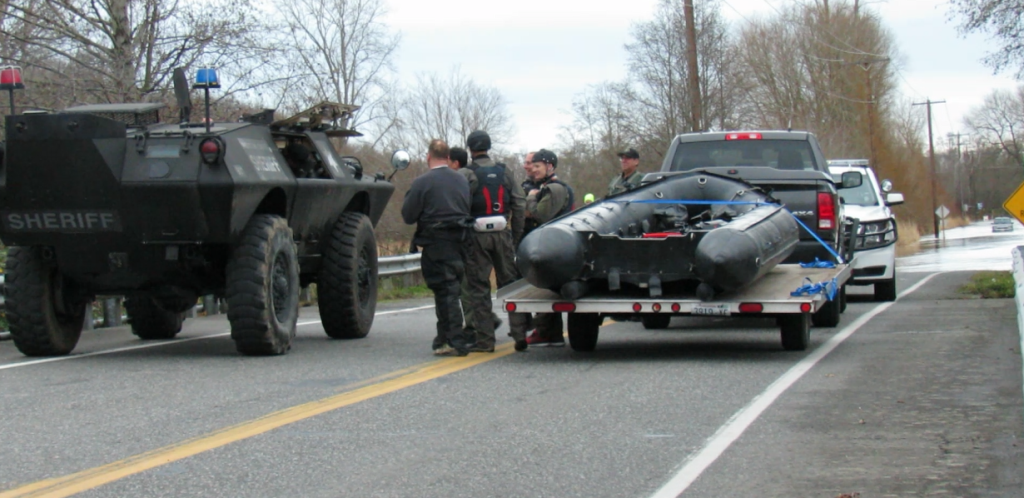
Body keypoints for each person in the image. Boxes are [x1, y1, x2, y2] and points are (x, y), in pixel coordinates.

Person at [401, 139, 473, 356]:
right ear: (449, 158)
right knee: (448, 289)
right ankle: (442, 338)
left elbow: (408, 215)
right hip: (461, 240)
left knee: (446, 290)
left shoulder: (422, 182)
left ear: (428, 156)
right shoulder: (461, 180)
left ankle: (456, 339)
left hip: (437, 241)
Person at [462, 130, 528, 352]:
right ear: (488, 147)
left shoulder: (466, 174)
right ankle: (519, 335)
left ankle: (485, 341)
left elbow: (459, 206)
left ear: (470, 149)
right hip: (502, 233)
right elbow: (519, 203)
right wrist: (516, 236)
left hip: (476, 235)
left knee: (479, 288)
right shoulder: (505, 171)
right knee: (510, 285)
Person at [522, 148, 575, 347]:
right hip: (547, 243)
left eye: (537, 166)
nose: (533, 170)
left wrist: (531, 199)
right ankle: (547, 331)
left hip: (551, 245)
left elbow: (541, 215)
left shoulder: (554, 188)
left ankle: (547, 332)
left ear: (549, 166)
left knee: (544, 287)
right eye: (532, 165)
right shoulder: (543, 187)